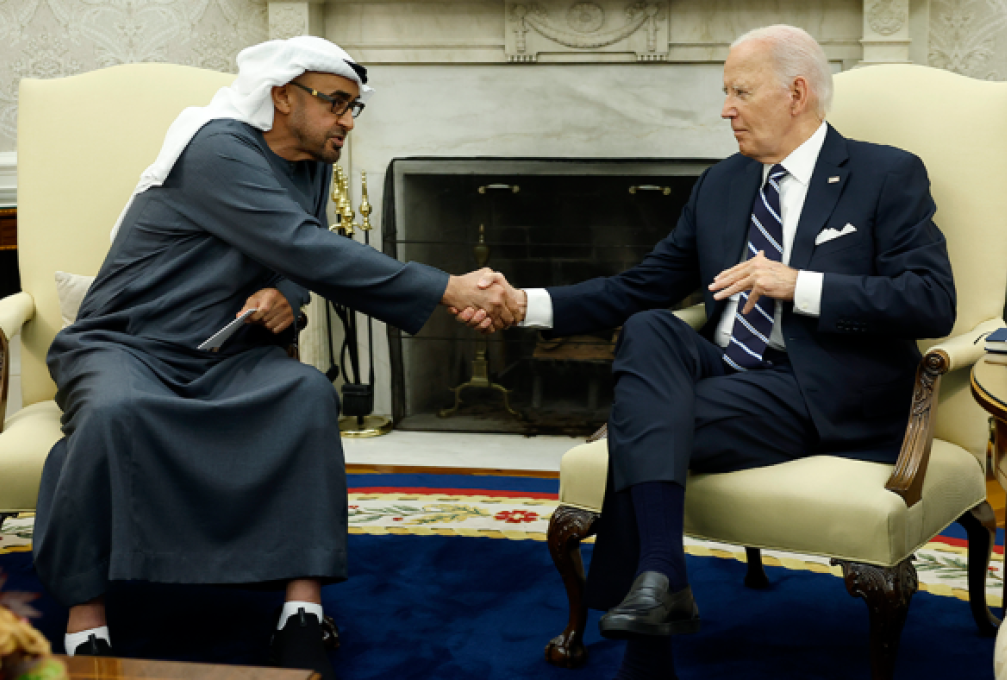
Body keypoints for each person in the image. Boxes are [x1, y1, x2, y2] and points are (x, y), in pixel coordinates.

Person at [452, 24, 956, 679]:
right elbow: (642, 286)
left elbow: (930, 300)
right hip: (727, 372)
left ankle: (649, 644)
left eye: (739, 92)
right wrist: (525, 305)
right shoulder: (721, 184)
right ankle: (664, 577)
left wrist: (797, 284)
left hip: (820, 391)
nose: (725, 109)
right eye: (725, 93)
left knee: (640, 422)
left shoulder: (886, 174)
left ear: (796, 92)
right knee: (652, 328)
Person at [32, 36, 521, 679]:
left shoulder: (311, 163)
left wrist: (284, 292)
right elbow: (302, 243)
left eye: (355, 107)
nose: (348, 121)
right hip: (127, 342)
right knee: (112, 413)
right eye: (337, 104)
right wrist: (449, 288)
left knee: (306, 395)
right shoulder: (217, 148)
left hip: (226, 348)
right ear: (282, 96)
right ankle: (86, 622)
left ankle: (302, 610)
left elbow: (299, 256)